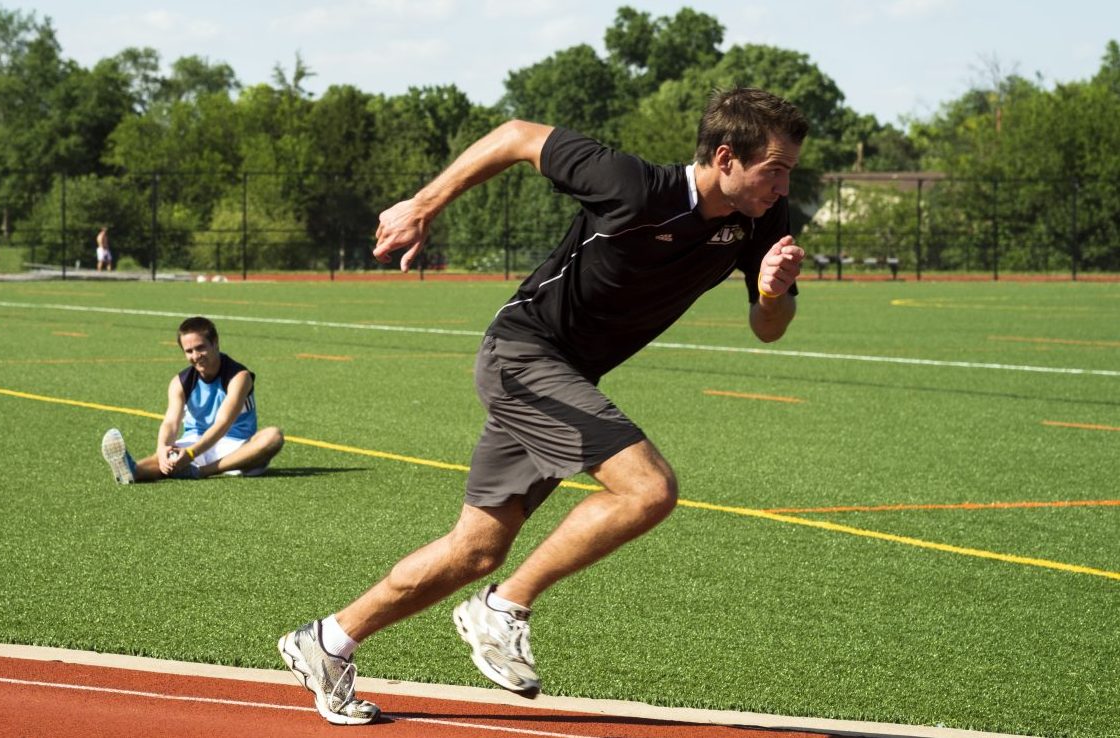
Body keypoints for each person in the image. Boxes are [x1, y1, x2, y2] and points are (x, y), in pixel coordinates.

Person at [277, 87, 809, 725]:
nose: (783, 186)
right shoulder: (634, 186)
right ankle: (501, 608)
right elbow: (515, 136)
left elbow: (768, 328)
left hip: (565, 376)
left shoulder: (763, 218)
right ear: (725, 157)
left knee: (476, 550)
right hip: (523, 355)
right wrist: (422, 204)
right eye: (775, 170)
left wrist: (772, 292)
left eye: (788, 172)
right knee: (648, 490)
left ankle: (328, 641)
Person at [100, 316, 284, 483]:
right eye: (189, 351)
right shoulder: (179, 382)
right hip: (195, 441)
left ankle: (202, 471)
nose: (195, 356)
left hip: (235, 447)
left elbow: (223, 424)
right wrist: (162, 448)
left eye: (200, 347)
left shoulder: (239, 377)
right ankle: (133, 471)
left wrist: (190, 454)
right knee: (167, 456)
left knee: (273, 437)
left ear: (215, 343)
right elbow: (171, 422)